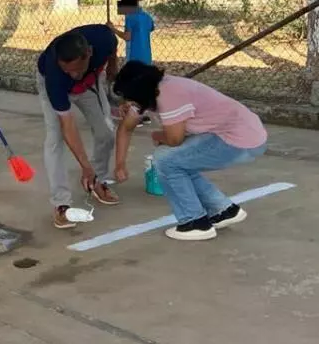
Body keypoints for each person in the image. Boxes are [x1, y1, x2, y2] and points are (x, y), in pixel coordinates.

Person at [112, 61, 266, 242]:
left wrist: (157, 135)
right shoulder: (150, 90)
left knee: (165, 160)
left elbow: (174, 140)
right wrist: (120, 164)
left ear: (138, 91)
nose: (127, 104)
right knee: (178, 161)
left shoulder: (169, 94)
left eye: (129, 98)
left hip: (240, 140)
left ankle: (194, 222)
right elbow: (125, 128)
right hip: (239, 134)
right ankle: (223, 210)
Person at [37, 24, 124, 229]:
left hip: (88, 85)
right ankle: (61, 203)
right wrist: (85, 166)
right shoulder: (55, 75)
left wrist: (112, 65)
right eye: (67, 70)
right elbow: (68, 125)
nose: (72, 75)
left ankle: (97, 181)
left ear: (89, 54)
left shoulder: (103, 38)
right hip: (55, 87)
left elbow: (113, 46)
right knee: (54, 139)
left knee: (105, 132)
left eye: (76, 69)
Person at [115, 0, 155, 65]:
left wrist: (113, 29)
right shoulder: (147, 16)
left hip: (134, 56)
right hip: (147, 57)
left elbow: (127, 37)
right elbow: (152, 28)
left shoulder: (130, 17)